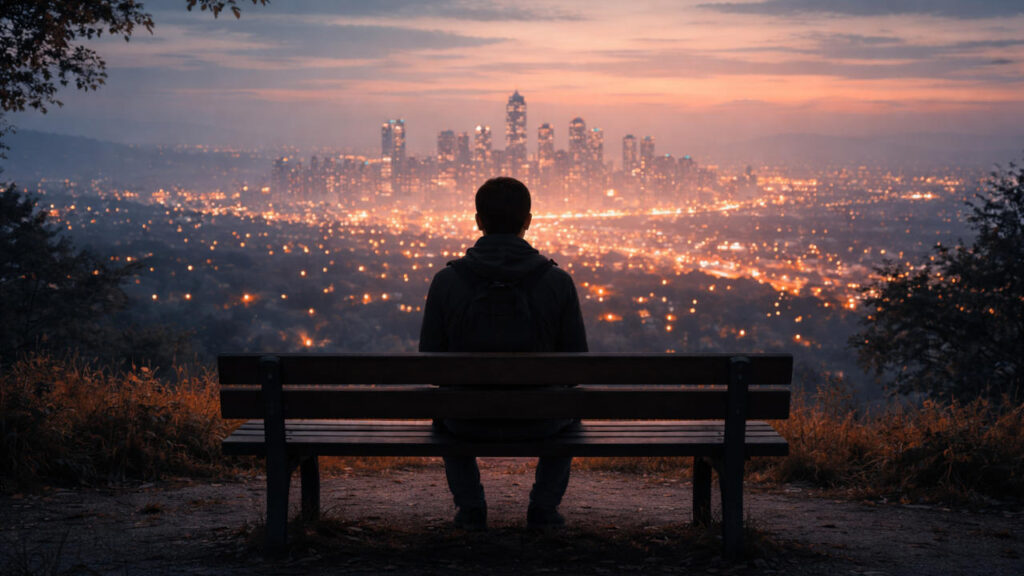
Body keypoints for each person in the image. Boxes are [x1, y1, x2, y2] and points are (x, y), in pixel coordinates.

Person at [419, 176, 588, 532]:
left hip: (464, 420)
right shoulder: (557, 282)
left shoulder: (447, 282)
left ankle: (470, 507)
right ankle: (543, 506)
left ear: (478, 220)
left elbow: (431, 366)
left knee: (443, 405)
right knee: (572, 406)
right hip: (543, 420)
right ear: (528, 220)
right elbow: (576, 368)